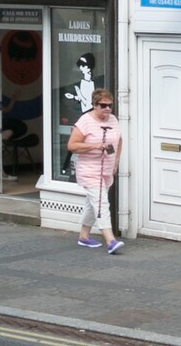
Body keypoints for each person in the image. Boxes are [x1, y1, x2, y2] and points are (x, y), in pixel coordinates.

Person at [67, 88, 123, 253]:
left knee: (93, 204)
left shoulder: (112, 119)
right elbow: (72, 146)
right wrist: (95, 145)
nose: (107, 109)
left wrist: (116, 162)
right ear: (94, 105)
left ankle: (84, 236)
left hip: (106, 169)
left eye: (109, 105)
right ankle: (110, 240)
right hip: (89, 169)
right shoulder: (85, 121)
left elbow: (119, 140)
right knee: (101, 203)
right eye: (103, 105)